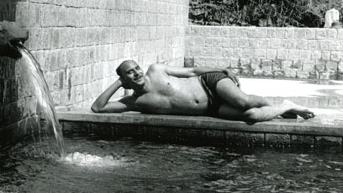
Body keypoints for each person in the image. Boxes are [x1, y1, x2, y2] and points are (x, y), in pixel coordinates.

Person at [91, 60, 315, 123]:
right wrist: (118, 84)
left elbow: (191, 71)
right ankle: (286, 106)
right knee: (251, 116)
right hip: (211, 109)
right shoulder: (134, 102)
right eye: (129, 73)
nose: (136, 73)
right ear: (125, 79)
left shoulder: (156, 70)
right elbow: (97, 108)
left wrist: (221, 70)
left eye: (136, 68)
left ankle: (280, 107)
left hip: (210, 83)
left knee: (245, 102)